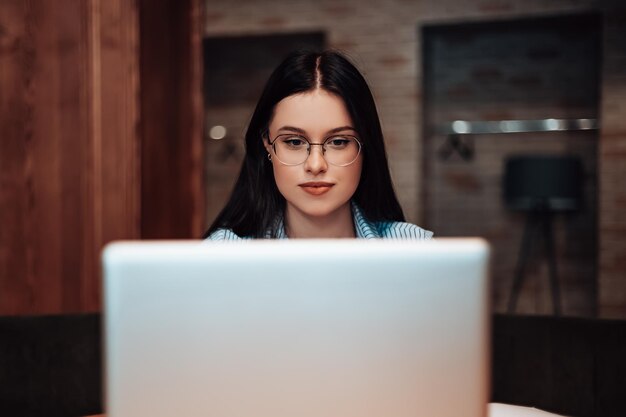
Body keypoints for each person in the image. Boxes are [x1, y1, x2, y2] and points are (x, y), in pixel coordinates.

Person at [204, 49, 432, 240]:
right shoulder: (219, 255)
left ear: (365, 146)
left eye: (338, 141)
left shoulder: (417, 248)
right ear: (267, 144)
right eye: (294, 141)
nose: (315, 165)